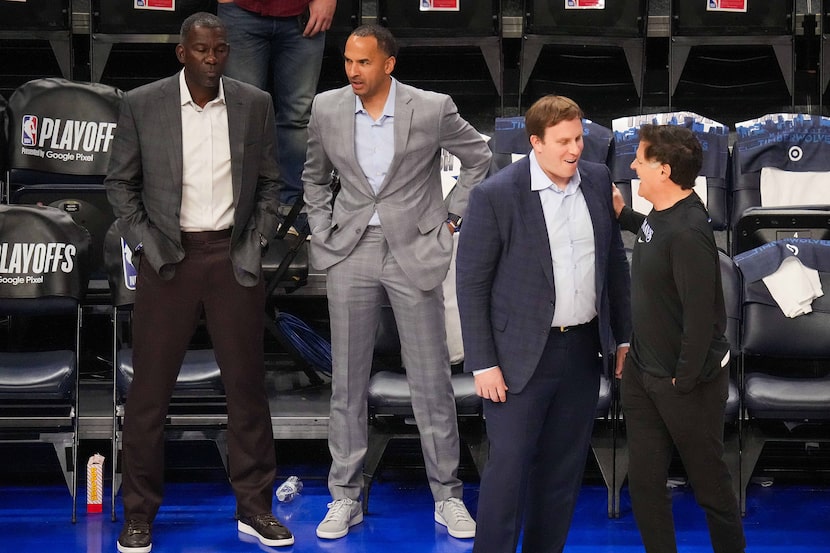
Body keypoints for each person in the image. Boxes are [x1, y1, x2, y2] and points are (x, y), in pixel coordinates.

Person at [105, 12, 292, 552]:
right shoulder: (143, 103)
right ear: (182, 52)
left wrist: (254, 244)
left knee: (248, 394)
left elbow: (271, 184)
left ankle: (255, 509)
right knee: (147, 398)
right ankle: (138, 514)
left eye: (220, 50)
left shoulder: (254, 103)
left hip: (233, 259)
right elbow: (120, 185)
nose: (213, 59)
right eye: (202, 50)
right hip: (170, 260)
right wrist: (150, 244)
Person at [302, 23, 492, 541]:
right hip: (351, 250)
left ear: (388, 63)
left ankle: (447, 495)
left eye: (363, 62)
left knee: (431, 380)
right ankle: (344, 496)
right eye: (347, 61)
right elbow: (314, 177)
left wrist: (451, 218)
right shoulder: (327, 107)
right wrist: (323, 229)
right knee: (346, 380)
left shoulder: (431, 107)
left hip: (415, 249)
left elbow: (480, 158)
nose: (353, 71)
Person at [455, 94, 632, 553]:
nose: (574, 150)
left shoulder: (596, 180)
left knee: (562, 474)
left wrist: (624, 337)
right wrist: (483, 363)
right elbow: (471, 285)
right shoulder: (496, 194)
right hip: (516, 361)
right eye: (563, 142)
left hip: (581, 352)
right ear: (535, 143)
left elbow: (614, 263)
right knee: (508, 474)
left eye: (579, 139)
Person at [614, 124, 746, 553]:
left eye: (640, 159)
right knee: (646, 486)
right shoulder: (663, 212)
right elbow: (654, 237)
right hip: (643, 375)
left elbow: (701, 318)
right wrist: (624, 217)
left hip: (685, 384)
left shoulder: (689, 232)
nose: (633, 165)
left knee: (710, 487)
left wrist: (683, 382)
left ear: (664, 170)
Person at [217, 0, 336, 207]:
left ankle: (292, 209)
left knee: (298, 116)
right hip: (240, 11)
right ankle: (246, 206)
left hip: (304, 13)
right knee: (243, 115)